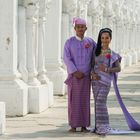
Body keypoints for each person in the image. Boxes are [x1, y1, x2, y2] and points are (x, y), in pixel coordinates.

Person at [63, 17, 96, 132]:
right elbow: (66, 58)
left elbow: (95, 57)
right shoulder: (69, 42)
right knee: (74, 101)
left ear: (86, 28)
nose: (80, 29)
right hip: (74, 76)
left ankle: (84, 125)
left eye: (82, 27)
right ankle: (73, 125)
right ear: (75, 28)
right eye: (78, 27)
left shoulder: (90, 42)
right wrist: (74, 71)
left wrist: (92, 70)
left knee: (85, 101)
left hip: (86, 77)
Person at [91, 28, 121, 135]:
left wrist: (108, 70)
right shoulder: (95, 52)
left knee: (100, 102)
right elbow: (91, 66)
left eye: (107, 38)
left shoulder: (112, 54)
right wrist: (92, 74)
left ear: (110, 39)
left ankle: (104, 126)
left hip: (105, 82)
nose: (104, 40)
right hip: (95, 82)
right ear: (100, 39)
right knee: (97, 104)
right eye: (102, 38)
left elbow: (118, 68)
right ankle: (98, 127)